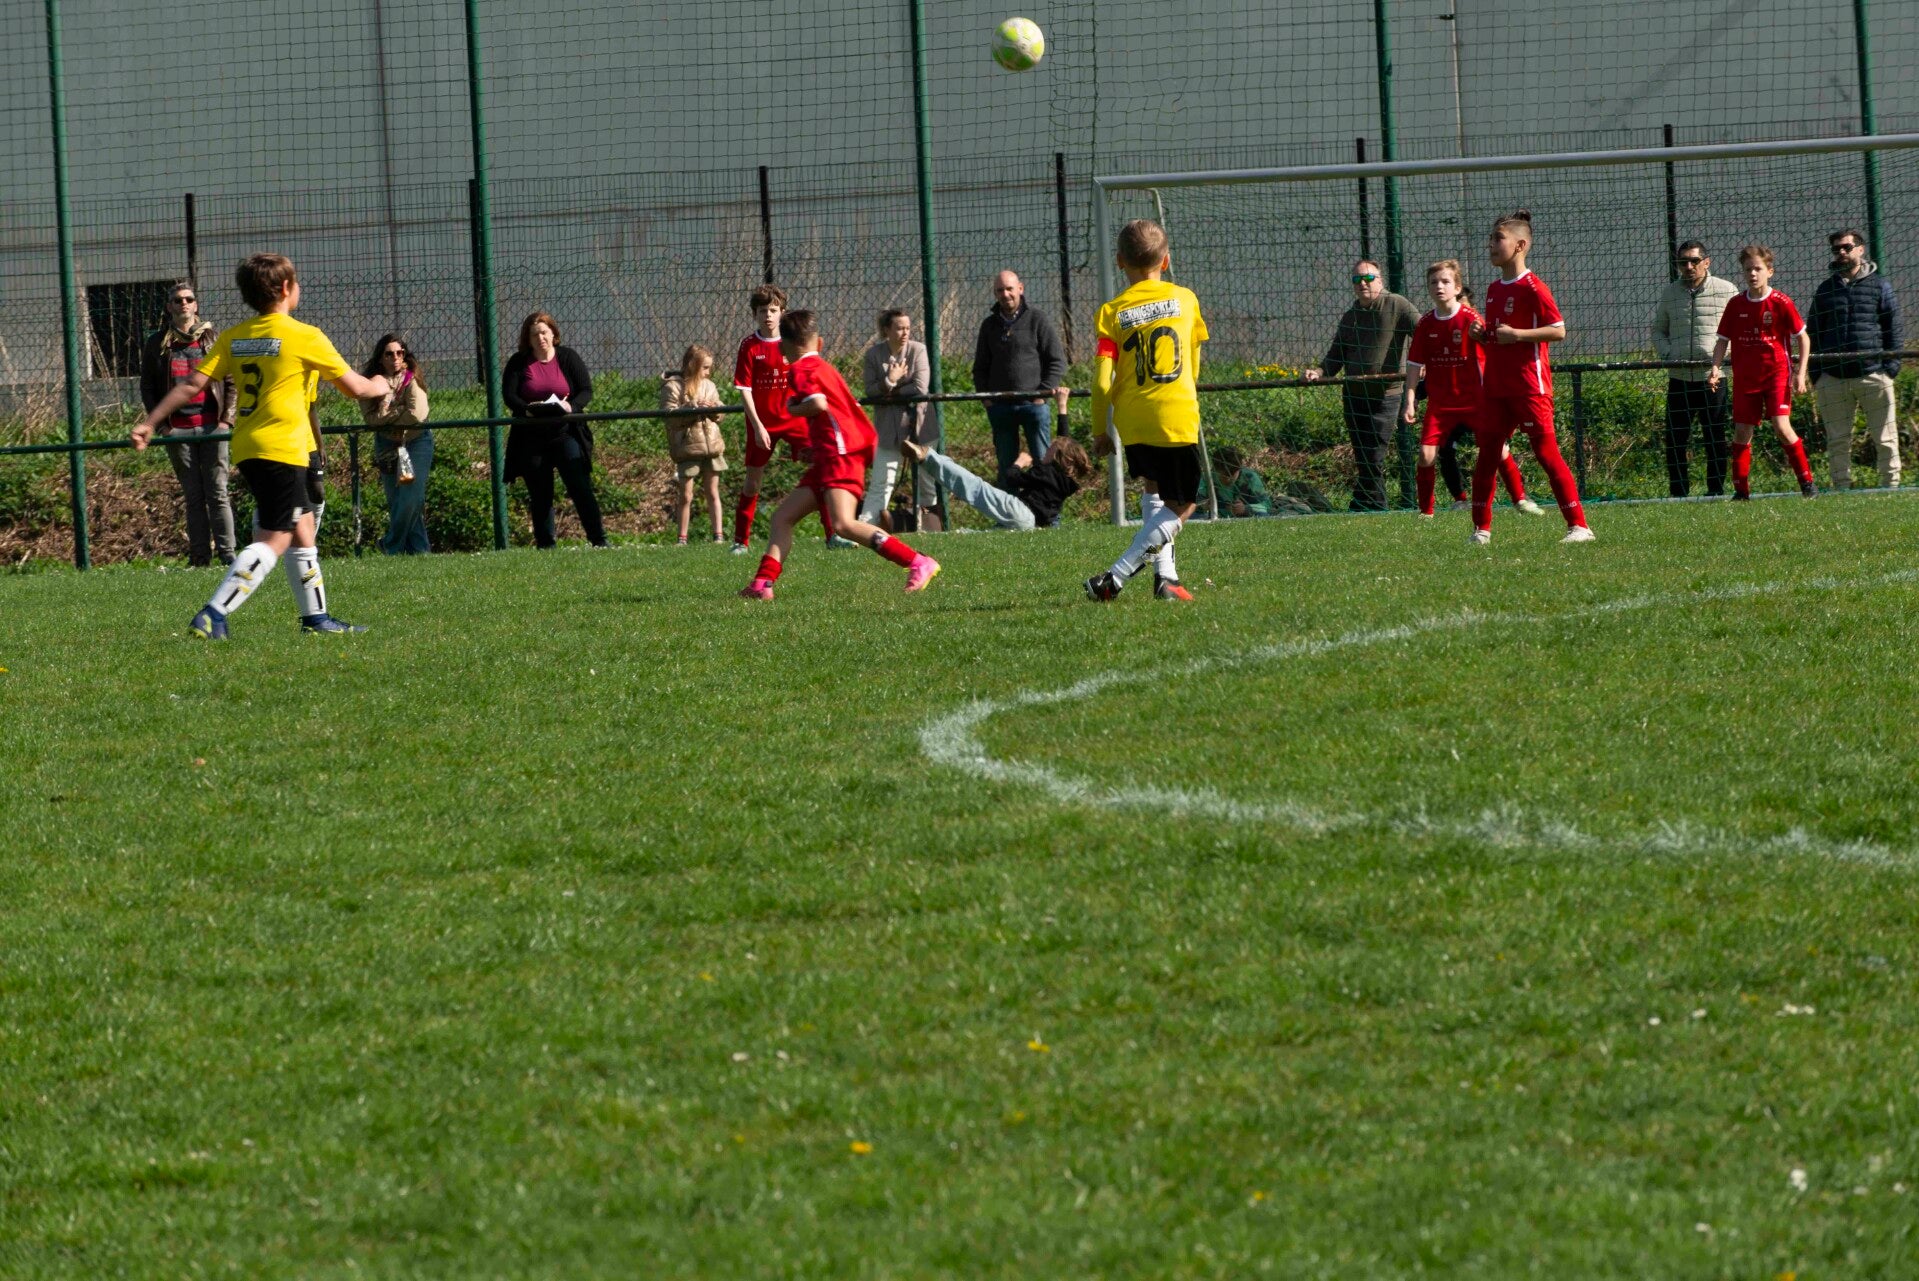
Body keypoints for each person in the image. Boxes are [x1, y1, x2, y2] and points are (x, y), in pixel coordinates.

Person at [130, 252, 387, 638]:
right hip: (282, 449)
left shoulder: (235, 336)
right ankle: (214, 613)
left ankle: (316, 618)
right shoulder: (305, 336)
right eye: (296, 282)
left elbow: (192, 384)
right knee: (275, 538)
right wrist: (382, 384)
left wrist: (150, 422)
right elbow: (356, 388)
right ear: (285, 288)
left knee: (302, 528)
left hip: (250, 446)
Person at [738, 310, 939, 600]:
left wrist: (793, 409)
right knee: (782, 517)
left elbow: (818, 404)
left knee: (843, 524)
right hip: (833, 453)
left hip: (840, 454)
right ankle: (762, 584)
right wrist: (817, 447)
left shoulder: (800, 369)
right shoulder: (824, 367)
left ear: (785, 345)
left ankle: (917, 561)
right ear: (817, 342)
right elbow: (838, 411)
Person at [1084, 219, 1208, 603]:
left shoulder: (1111, 312)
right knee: (1185, 503)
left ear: (1120, 261)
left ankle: (1165, 579)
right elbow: (1194, 363)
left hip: (1133, 419)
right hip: (1174, 413)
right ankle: (1114, 578)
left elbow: (1101, 382)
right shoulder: (1186, 299)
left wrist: (1100, 431)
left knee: (1155, 488)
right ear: (1166, 260)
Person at [1470, 211, 1593, 545]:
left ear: (1520, 245)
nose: (1491, 244)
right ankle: (1481, 531)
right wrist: (1482, 335)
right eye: (1491, 238)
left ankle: (1579, 527)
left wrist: (1519, 335)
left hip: (1529, 386)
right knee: (1487, 455)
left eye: (1498, 238)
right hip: (1496, 386)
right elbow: (1500, 337)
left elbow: (1558, 330)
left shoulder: (1534, 287)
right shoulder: (1494, 289)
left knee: (1546, 453)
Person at [1399, 259, 1538, 519]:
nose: (1439, 286)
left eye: (1445, 282)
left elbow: (1493, 347)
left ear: (1457, 288)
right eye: (1433, 282)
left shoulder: (1471, 318)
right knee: (1426, 456)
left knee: (1498, 449)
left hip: (1476, 401)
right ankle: (1425, 512)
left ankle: (1520, 498)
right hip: (1441, 405)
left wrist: (1483, 337)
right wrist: (1410, 399)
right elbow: (1415, 364)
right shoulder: (1426, 324)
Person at [1303, 260, 1420, 511]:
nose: (1363, 284)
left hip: (1386, 395)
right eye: (1357, 279)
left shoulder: (1396, 304)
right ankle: (1364, 504)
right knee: (1363, 456)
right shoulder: (1350, 316)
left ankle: (1374, 506)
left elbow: (1423, 332)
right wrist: (1319, 371)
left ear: (1381, 280)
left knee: (1374, 454)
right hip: (1354, 395)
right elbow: (1336, 355)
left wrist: (1424, 362)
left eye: (1368, 278)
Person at [1709, 244, 1817, 501]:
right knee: (1742, 432)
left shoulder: (1781, 302)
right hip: (1746, 379)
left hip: (1776, 376)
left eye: (1758, 269)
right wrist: (1715, 367)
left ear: (1770, 271)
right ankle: (1741, 491)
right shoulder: (1736, 304)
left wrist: (1800, 373)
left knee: (1781, 426)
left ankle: (1807, 484)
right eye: (1748, 269)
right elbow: (1722, 340)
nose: (1752, 274)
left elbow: (1803, 338)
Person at [139, 281, 235, 566]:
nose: (183, 303)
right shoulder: (157, 343)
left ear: (196, 305)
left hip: (212, 427)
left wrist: (226, 421)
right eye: (178, 300)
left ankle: (229, 556)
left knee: (218, 493)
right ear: (169, 307)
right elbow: (148, 388)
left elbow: (231, 381)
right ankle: (200, 558)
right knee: (193, 496)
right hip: (177, 430)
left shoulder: (214, 339)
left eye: (188, 299)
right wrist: (162, 426)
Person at [1810, 228, 1903, 490]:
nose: (1841, 252)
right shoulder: (1825, 289)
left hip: (1874, 373)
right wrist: (1817, 375)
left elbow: (1893, 329)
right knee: (1837, 439)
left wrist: (1890, 369)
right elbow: (1814, 332)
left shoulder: (1880, 286)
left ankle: (1891, 486)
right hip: (1832, 378)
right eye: (1836, 249)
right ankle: (1841, 487)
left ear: (1860, 249)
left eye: (1846, 247)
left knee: (1885, 437)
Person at [503, 311, 606, 548]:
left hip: (565, 432)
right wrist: (526, 410)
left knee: (580, 485)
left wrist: (572, 406)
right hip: (531, 435)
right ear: (528, 339)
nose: (540, 338)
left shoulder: (568, 357)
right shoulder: (518, 362)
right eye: (534, 334)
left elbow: (585, 390)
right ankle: (546, 545)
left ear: (553, 334)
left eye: (544, 332)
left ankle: (599, 539)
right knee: (540, 493)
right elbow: (509, 395)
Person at [1651, 240, 1738, 497]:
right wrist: (1669, 354)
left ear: (1706, 262)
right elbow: (1658, 331)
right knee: (1675, 439)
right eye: (1683, 262)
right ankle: (1678, 493)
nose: (1688, 266)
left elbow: (1737, 330)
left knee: (1715, 437)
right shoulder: (1670, 293)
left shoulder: (1726, 290)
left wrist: (1720, 360)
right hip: (1679, 377)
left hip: (1713, 378)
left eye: (1694, 261)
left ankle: (1716, 491)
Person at [730, 284, 810, 552]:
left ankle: (833, 533)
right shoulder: (750, 346)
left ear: (782, 313)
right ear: (755, 314)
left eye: (773, 310)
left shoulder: (792, 342)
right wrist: (757, 427)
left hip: (793, 419)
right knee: (753, 482)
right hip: (762, 424)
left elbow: (806, 375)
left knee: (821, 467)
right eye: (763, 311)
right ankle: (740, 541)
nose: (768, 315)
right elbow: (744, 389)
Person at [972, 270, 1071, 484]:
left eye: (1009, 289)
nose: (1005, 294)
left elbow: (1057, 361)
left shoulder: (1037, 319)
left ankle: (1044, 505)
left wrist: (1041, 395)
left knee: (1043, 463)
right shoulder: (989, 326)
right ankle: (1009, 505)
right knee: (1006, 466)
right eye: (1000, 290)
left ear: (1020, 288)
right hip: (1000, 408)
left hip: (1034, 407)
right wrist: (987, 399)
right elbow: (980, 368)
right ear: (995, 293)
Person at [898, 433, 1092, 531]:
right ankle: (957, 535)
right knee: (987, 536)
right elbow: (1066, 441)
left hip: (1020, 510)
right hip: (1030, 526)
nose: (1046, 451)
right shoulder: (1067, 483)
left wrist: (1019, 463)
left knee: (976, 487)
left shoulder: (1045, 471)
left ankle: (927, 456)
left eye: (1050, 449)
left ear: (1060, 457)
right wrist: (1062, 409)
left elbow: (1012, 478)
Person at [858, 309, 939, 528]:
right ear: (886, 330)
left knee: (926, 481)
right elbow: (870, 390)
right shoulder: (874, 354)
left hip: (920, 426)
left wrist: (889, 391)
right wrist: (890, 380)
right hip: (888, 429)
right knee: (882, 481)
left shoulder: (918, 350)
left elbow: (920, 387)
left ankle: (930, 528)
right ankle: (865, 528)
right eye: (899, 328)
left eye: (907, 328)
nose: (905, 333)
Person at [359, 333, 431, 555]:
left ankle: (390, 544)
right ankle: (420, 551)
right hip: (387, 444)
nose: (395, 358)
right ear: (381, 358)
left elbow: (417, 414)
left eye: (400, 353)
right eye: (389, 354)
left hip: (416, 442)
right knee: (397, 501)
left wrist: (389, 414)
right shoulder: (372, 383)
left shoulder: (412, 379)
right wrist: (399, 412)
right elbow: (371, 420)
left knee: (411, 497)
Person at [661, 344, 727, 545]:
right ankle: (682, 538)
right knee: (686, 495)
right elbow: (670, 417)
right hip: (688, 447)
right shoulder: (673, 387)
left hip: (711, 446)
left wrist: (714, 408)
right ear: (692, 365)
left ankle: (718, 535)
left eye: (709, 368)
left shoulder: (710, 386)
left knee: (713, 492)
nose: (708, 372)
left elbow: (721, 412)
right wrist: (691, 408)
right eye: (705, 368)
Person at [1193, 444, 1272, 517]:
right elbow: (1192, 504)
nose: (1227, 479)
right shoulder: (1207, 478)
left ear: (1239, 469)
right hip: (1215, 518)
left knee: (1262, 515)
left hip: (1244, 518)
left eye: (1231, 475)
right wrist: (1203, 506)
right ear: (1215, 469)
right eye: (1223, 475)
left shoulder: (1250, 477)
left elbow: (1267, 505)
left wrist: (1246, 508)